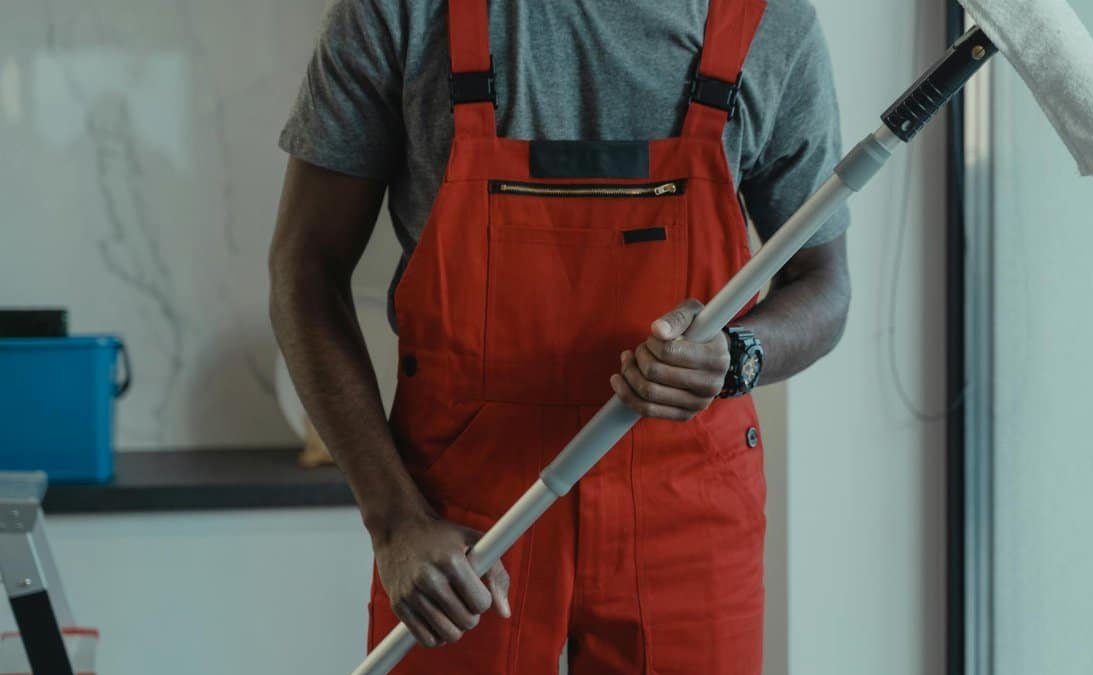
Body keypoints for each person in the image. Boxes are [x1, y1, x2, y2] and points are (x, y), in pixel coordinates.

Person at [269, 0, 850, 672]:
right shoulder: (400, 11)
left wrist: (737, 356)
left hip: (689, 507)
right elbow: (303, 271)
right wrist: (395, 520)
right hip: (460, 518)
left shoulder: (769, 21)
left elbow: (824, 284)